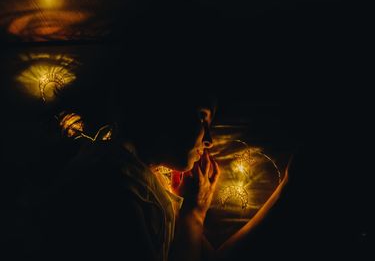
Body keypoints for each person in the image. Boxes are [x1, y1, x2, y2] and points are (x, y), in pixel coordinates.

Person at [36, 82, 288, 261]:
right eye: (202, 119)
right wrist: (193, 216)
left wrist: (287, 188)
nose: (209, 140)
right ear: (165, 108)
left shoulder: (148, 181)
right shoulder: (113, 186)